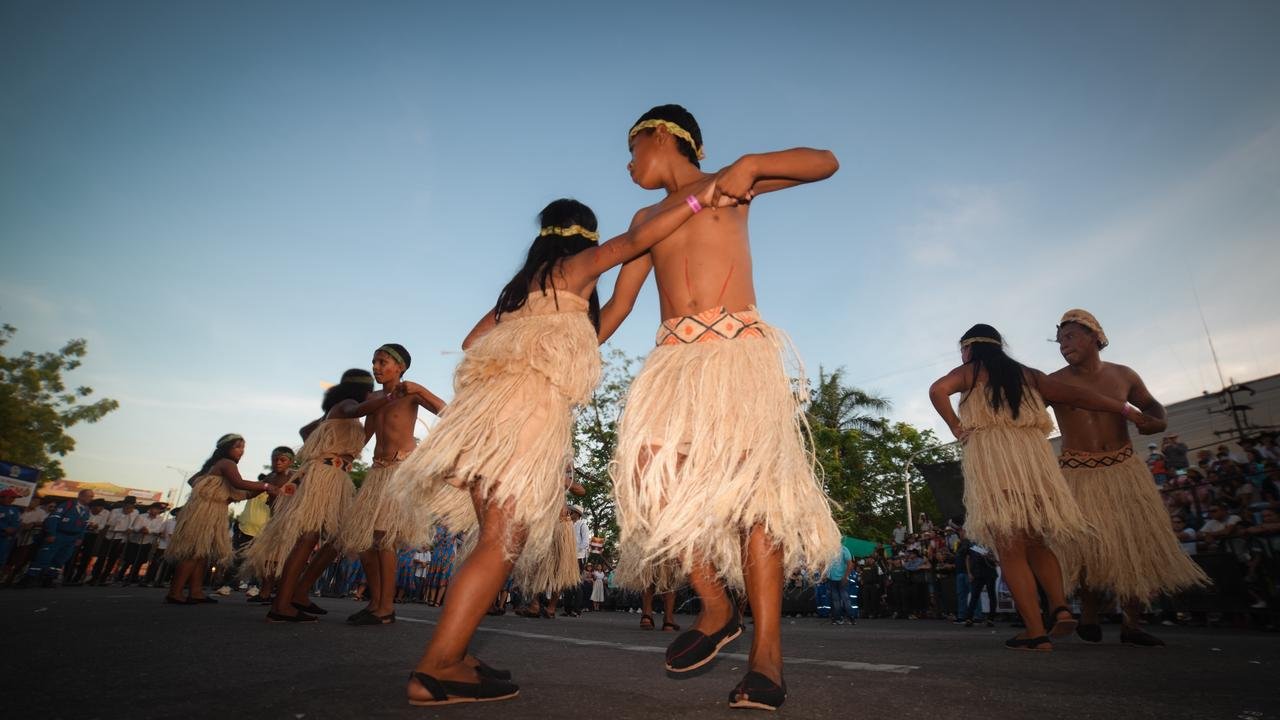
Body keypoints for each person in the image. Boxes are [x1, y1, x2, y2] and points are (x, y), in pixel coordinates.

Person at [395, 189, 718, 706]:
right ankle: (436, 668)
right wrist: (699, 201)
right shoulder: (574, 267)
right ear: (584, 236)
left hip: (485, 417)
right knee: (501, 544)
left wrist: (548, 334)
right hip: (526, 414)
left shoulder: (521, 292)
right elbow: (633, 243)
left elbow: (474, 343)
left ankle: (453, 655)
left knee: (492, 542)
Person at [604, 104, 842, 711]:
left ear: (660, 135)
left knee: (754, 505)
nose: (628, 163)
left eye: (632, 148)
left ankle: (768, 659)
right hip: (672, 364)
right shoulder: (643, 218)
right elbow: (617, 309)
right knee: (648, 472)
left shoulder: (730, 186)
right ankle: (715, 604)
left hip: (737, 355)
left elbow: (827, 163)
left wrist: (754, 165)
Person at [929, 323, 1158, 650]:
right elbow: (1081, 396)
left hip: (996, 461)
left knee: (1010, 548)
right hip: (1035, 464)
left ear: (969, 348)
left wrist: (955, 426)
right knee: (1035, 540)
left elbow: (937, 389)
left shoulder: (969, 370)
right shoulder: (1028, 374)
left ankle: (1036, 632)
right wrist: (1127, 411)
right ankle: (1060, 606)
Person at [1047, 310, 1210, 647]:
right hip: (1077, 472)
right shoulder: (1054, 382)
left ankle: (1132, 624)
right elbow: (1023, 412)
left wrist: (1157, 422)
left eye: (1071, 337)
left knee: (1133, 544)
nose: (1064, 346)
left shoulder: (1124, 375)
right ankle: (1089, 615)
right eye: (1060, 340)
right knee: (1087, 546)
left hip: (1123, 468)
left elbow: (1152, 406)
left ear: (1095, 336)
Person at [242, 369, 389, 622]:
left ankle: (298, 593)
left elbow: (307, 431)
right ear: (364, 391)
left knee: (339, 539)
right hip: (325, 476)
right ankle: (281, 605)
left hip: (334, 477)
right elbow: (357, 410)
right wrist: (387, 396)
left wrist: (322, 444)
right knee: (307, 538)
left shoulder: (337, 414)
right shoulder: (347, 406)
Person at [336, 343, 445, 626]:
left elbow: (445, 411)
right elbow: (366, 434)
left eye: (383, 362)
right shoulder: (374, 398)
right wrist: (347, 458)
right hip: (376, 473)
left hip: (399, 472)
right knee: (363, 541)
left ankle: (385, 607)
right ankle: (375, 602)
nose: (376, 367)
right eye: (374, 362)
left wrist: (419, 390)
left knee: (384, 539)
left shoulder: (410, 392)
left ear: (400, 367)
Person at [165, 434, 277, 605]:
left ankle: (196, 592)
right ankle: (175, 592)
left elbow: (193, 481)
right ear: (226, 448)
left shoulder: (212, 465)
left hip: (208, 509)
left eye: (243, 448)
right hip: (205, 511)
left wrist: (215, 490)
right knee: (194, 552)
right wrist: (266, 485)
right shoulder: (227, 463)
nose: (242, 451)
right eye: (238, 447)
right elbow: (239, 483)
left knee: (202, 552)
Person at [239, 447, 294, 601]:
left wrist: (282, 495)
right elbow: (250, 493)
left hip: (289, 522)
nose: (278, 463)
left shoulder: (296, 477)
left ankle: (284, 595)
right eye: (274, 459)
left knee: (283, 560)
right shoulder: (270, 478)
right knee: (268, 559)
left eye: (282, 459)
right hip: (273, 522)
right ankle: (265, 592)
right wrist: (229, 495)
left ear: (291, 461)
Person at [18, 489, 95, 587]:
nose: (91, 498)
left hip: (71, 538)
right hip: (59, 535)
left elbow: (84, 526)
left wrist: (80, 538)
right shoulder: (68, 505)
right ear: (81, 496)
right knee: (44, 557)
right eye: (90, 496)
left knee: (60, 560)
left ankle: (49, 578)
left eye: (92, 496)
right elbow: (53, 519)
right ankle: (29, 578)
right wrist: (51, 534)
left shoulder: (86, 510)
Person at [91, 497, 137, 585]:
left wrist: (130, 528)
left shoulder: (135, 512)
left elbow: (134, 524)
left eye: (131, 504)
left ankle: (104, 578)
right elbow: (110, 523)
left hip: (121, 538)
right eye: (127, 504)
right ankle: (95, 576)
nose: (129, 506)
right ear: (123, 504)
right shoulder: (115, 511)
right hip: (110, 536)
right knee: (102, 557)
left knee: (113, 559)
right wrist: (123, 515)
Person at [65, 499, 109, 585]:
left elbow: (102, 525)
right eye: (96, 508)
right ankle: (67, 576)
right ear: (91, 507)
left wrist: (96, 526)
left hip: (93, 536)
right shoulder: (85, 510)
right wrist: (87, 525)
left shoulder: (105, 513)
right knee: (73, 554)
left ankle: (78, 577)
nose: (98, 510)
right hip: (80, 533)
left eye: (100, 508)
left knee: (87, 556)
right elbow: (79, 521)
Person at [119, 503, 165, 585]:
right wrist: (141, 529)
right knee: (129, 559)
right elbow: (136, 526)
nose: (156, 511)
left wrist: (149, 530)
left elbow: (158, 529)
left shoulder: (160, 519)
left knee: (141, 560)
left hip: (147, 541)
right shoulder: (141, 516)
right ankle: (120, 575)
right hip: (135, 540)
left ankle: (133, 576)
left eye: (158, 509)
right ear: (150, 509)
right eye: (155, 508)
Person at [825, 542, 855, 625]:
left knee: (844, 599)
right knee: (837, 600)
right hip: (832, 579)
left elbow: (850, 564)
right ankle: (838, 618)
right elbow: (827, 564)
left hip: (841, 579)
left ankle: (850, 618)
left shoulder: (844, 549)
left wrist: (845, 577)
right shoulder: (829, 551)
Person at [0, 489, 23, 570]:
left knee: (2, 558)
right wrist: (4, 527)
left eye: (14, 498)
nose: (12, 499)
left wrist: (14, 528)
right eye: (10, 497)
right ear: (2, 497)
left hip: (7, 539)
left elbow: (18, 521)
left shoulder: (15, 510)